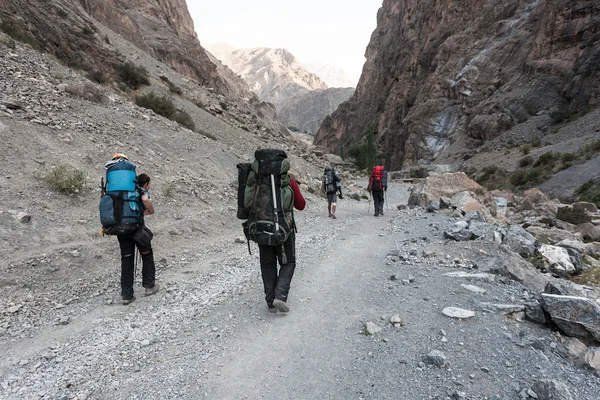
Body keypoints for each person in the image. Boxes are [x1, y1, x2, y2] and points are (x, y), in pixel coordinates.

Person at [258, 174, 306, 313]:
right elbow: (301, 205)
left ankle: (270, 302)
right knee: (288, 262)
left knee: (267, 264)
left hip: (262, 229)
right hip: (284, 229)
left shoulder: (257, 181)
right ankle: (280, 296)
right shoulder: (288, 181)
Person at [118, 172, 160, 304]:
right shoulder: (140, 191)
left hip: (121, 229)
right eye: (149, 184)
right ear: (146, 183)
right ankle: (149, 286)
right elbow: (145, 200)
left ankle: (127, 295)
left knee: (126, 259)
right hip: (137, 229)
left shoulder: (122, 193)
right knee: (146, 254)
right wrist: (151, 211)